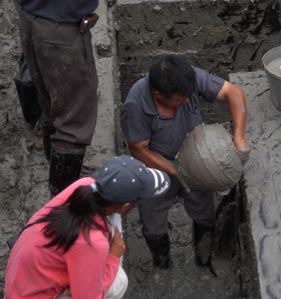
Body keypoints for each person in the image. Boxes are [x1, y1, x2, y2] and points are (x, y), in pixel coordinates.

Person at [120, 54, 250, 270]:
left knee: (205, 216)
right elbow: (139, 149)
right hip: (157, 170)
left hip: (198, 161)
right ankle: (162, 264)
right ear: (158, 95)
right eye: (181, 99)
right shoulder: (135, 105)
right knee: (153, 225)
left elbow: (233, 92)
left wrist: (239, 136)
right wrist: (178, 170)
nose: (188, 100)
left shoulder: (186, 78)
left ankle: (203, 259)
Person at [4, 155, 170, 299]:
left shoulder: (85, 185)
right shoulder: (92, 242)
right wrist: (112, 257)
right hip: (30, 294)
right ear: (126, 205)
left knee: (112, 227)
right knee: (119, 280)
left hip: (23, 278)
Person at [16, 0, 101, 196]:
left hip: (33, 17)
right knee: (74, 120)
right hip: (61, 29)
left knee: (51, 101)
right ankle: (65, 199)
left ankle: (56, 169)